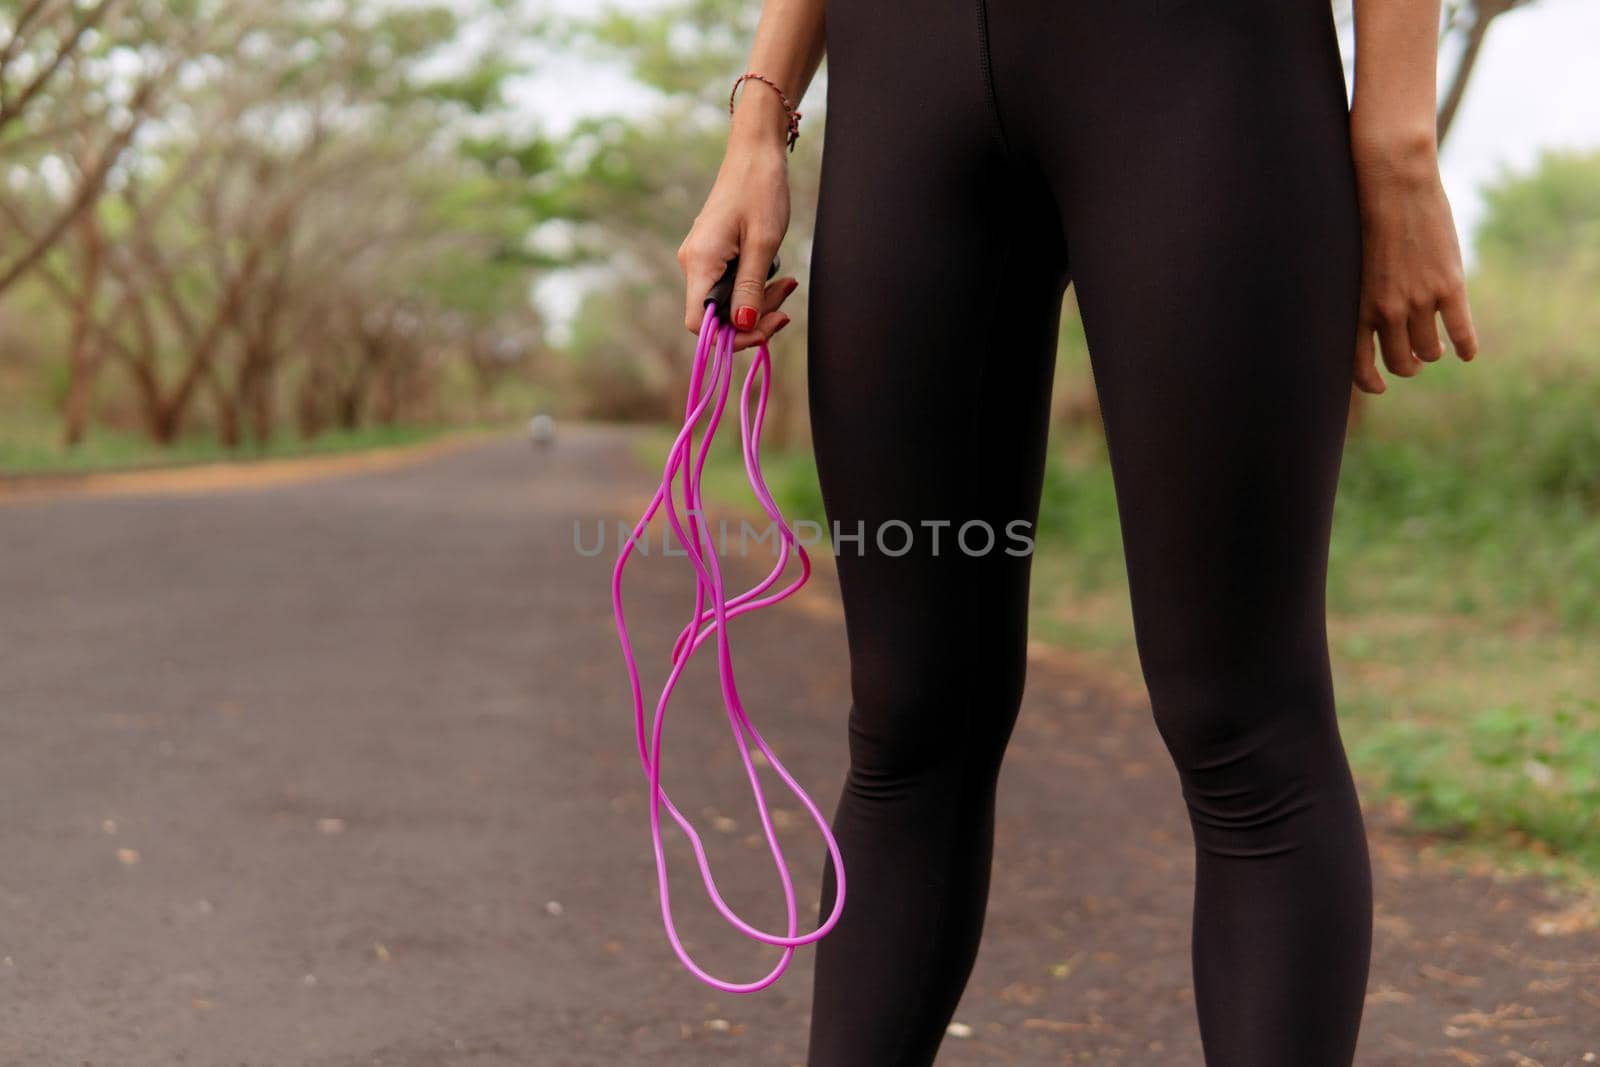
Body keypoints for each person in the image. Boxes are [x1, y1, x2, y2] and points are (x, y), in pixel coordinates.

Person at [675, 0, 1478, 1063]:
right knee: (909, 718)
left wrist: (1396, 138)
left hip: (1195, 64)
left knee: (1241, 723)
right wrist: (756, 123)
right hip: (902, 79)